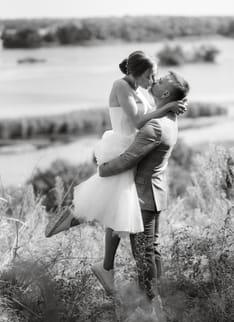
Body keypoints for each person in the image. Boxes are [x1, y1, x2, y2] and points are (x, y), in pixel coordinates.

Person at [45, 51, 186, 239]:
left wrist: (171, 104)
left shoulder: (137, 89)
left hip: (133, 144)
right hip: (121, 145)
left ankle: (105, 264)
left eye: (154, 76)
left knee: (116, 205)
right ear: (136, 72)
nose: (152, 80)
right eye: (149, 75)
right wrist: (166, 108)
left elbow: (150, 112)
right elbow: (138, 121)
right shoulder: (120, 85)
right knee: (107, 199)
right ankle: (72, 216)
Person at [95, 71, 190, 303]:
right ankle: (156, 299)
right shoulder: (167, 118)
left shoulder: (155, 126)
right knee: (151, 250)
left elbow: (128, 158)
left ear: (165, 93)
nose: (155, 80)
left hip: (143, 197)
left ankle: (149, 305)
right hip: (154, 193)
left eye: (160, 81)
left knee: (144, 254)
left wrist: (103, 169)